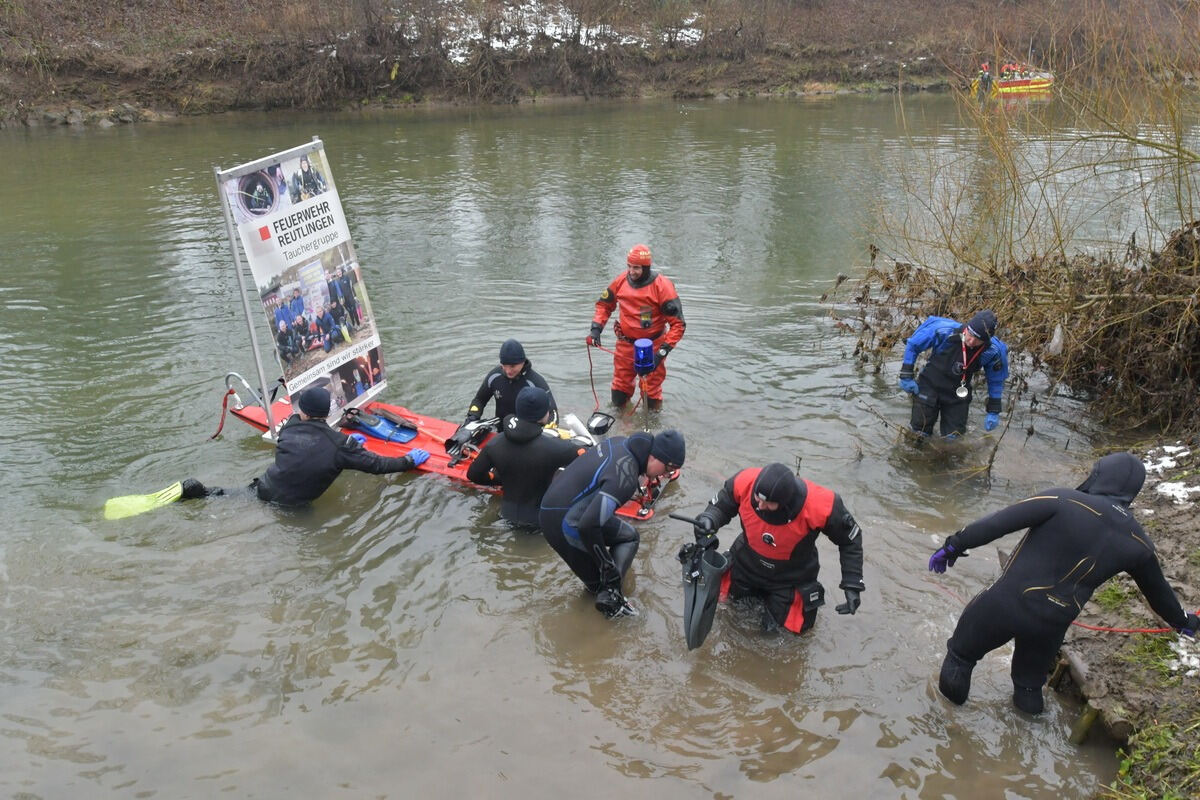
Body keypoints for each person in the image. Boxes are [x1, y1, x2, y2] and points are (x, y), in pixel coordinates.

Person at [929, 452, 1199, 715]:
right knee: (1028, 686)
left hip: (1007, 602)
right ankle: (1024, 737)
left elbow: (997, 523)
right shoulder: (1139, 543)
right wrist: (1184, 621)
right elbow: (1159, 593)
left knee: (961, 657)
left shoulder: (1063, 500)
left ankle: (951, 726)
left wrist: (954, 545)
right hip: (1053, 623)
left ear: (1101, 476)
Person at [690, 462, 865, 634]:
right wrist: (709, 519)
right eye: (757, 498)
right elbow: (721, 506)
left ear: (786, 502)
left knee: (778, 638)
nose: (760, 506)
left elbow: (850, 540)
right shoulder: (744, 482)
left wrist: (852, 583)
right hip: (746, 564)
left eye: (768, 503)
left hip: (791, 578)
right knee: (730, 619)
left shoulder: (820, 504)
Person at [180, 387, 430, 507]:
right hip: (291, 505)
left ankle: (202, 494)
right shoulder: (340, 445)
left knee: (236, 498)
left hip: (263, 485)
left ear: (304, 412)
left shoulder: (290, 426)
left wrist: (347, 446)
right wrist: (409, 461)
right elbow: (378, 465)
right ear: (327, 413)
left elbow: (313, 446)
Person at [539, 429, 686, 618]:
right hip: (562, 524)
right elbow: (588, 526)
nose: (665, 475)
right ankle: (601, 609)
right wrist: (607, 568)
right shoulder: (626, 476)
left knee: (629, 537)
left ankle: (611, 591)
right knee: (598, 589)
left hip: (556, 505)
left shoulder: (621, 442)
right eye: (667, 469)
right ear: (656, 457)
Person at [466, 386, 586, 528]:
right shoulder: (556, 448)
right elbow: (589, 459)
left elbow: (473, 474)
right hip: (541, 523)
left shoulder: (495, 443)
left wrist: (498, 478)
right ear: (543, 414)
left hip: (506, 516)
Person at [587, 243, 685, 410]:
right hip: (625, 343)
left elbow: (678, 324)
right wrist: (596, 330)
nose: (631, 272)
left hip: (653, 346)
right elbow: (604, 305)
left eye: (636, 268)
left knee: (651, 392)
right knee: (620, 388)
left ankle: (652, 420)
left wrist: (661, 353)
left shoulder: (662, 287)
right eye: (629, 266)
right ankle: (621, 419)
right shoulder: (620, 281)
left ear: (646, 267)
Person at [898, 310, 1009, 439]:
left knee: (954, 439)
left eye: (978, 340)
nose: (971, 341)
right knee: (917, 435)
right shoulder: (943, 330)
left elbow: (996, 380)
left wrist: (994, 410)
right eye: (970, 335)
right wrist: (906, 375)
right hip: (929, 386)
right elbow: (913, 345)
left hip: (957, 394)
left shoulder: (994, 350)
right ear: (967, 328)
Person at [464, 338, 557, 424]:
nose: (508, 371)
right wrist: (472, 416)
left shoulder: (535, 381)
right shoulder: (494, 376)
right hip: (501, 429)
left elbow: (553, 412)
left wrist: (548, 430)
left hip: (528, 432)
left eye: (513, 366)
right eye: (504, 365)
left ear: (523, 362)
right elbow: (479, 400)